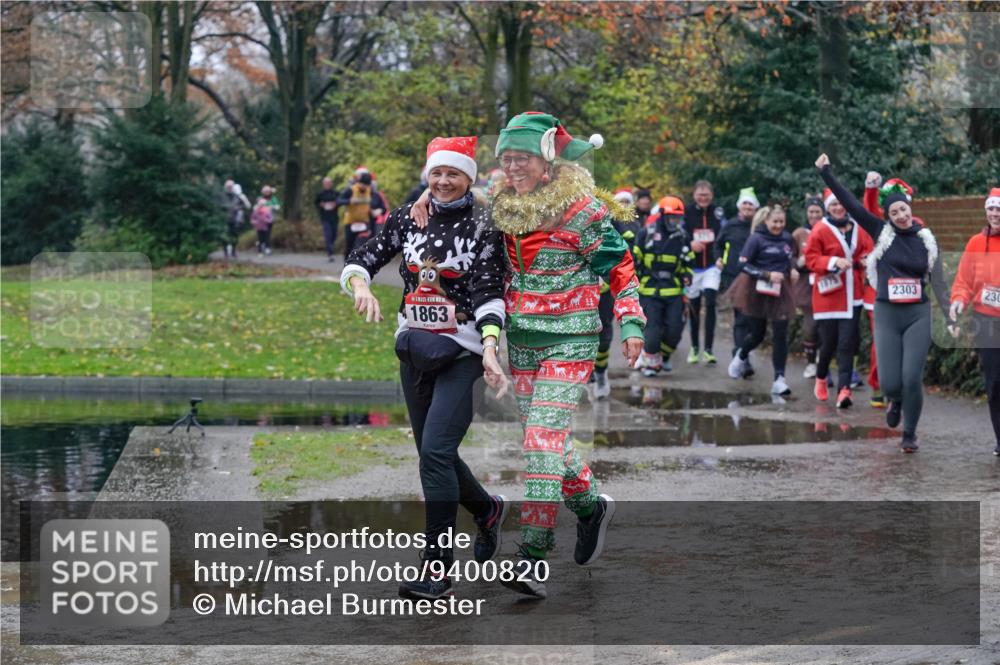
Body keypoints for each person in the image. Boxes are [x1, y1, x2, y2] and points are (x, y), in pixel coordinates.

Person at [413, 113, 645, 598]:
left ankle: (533, 556)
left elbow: (620, 266)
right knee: (548, 442)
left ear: (547, 161)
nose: (514, 167)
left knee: (541, 442)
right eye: (507, 159)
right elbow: (456, 202)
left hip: (571, 336)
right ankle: (590, 508)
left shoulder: (581, 210)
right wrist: (426, 201)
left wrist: (630, 322)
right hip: (522, 339)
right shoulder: (501, 205)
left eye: (523, 158)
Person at [340, 136, 509, 600]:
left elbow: (489, 289)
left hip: (464, 352)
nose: (443, 181)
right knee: (436, 455)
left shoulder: (485, 224)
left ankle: (437, 569)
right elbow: (366, 255)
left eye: (453, 173)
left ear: (469, 178)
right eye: (436, 173)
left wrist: (490, 347)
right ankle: (488, 510)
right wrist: (360, 285)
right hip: (414, 350)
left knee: (435, 453)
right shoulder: (407, 216)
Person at [817, 154, 950, 452]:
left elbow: (938, 280)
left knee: (911, 377)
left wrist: (950, 314)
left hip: (917, 313)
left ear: (910, 209)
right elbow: (851, 204)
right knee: (890, 382)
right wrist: (826, 172)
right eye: (894, 212)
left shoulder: (926, 239)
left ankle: (909, 433)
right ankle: (895, 400)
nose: (901, 215)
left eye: (904, 210)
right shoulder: (881, 232)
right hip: (888, 313)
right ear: (888, 215)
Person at [803, 184, 872, 408]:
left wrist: (865, 259)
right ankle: (821, 376)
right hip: (828, 296)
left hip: (853, 295)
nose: (838, 207)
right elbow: (811, 258)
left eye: (841, 203)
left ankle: (844, 390)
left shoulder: (858, 227)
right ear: (827, 207)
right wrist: (833, 262)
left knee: (847, 344)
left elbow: (866, 249)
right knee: (829, 344)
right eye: (833, 204)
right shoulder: (820, 230)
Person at [949, 187, 1000, 455]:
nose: (995, 213)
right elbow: (964, 281)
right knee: (995, 382)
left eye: (999, 209)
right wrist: (959, 300)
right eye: (991, 208)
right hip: (987, 321)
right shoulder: (976, 243)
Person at [727, 205, 797, 395]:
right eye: (775, 222)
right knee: (757, 334)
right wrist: (766, 275)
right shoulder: (756, 239)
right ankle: (741, 355)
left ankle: (779, 379)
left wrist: (792, 269)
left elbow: (790, 258)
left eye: (782, 222)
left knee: (781, 333)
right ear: (766, 221)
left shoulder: (787, 238)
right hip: (756, 290)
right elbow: (742, 264)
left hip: (780, 291)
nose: (778, 225)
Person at [634, 195, 694, 376]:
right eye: (672, 217)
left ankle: (664, 357)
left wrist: (687, 276)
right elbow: (634, 260)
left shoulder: (683, 236)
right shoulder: (646, 233)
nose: (675, 221)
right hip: (649, 290)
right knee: (652, 332)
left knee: (675, 330)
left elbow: (689, 262)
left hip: (674, 291)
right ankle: (651, 363)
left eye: (678, 218)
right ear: (662, 215)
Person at [592, 188, 641, 398]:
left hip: (602, 289)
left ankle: (600, 372)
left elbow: (623, 255)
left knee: (603, 337)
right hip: (572, 292)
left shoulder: (611, 222)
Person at [715, 187, 758, 371]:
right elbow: (718, 245)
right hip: (734, 276)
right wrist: (718, 259)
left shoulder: (759, 226)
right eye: (745, 204)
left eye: (751, 204)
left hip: (755, 276)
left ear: (755, 208)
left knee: (752, 319)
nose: (747, 207)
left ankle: (742, 353)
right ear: (740, 206)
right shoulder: (730, 225)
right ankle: (740, 357)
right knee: (741, 317)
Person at [683, 180, 725, 364]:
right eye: (700, 195)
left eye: (706, 195)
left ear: (712, 195)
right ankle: (694, 347)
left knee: (710, 301)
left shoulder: (718, 212)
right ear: (694, 195)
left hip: (712, 267)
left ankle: (708, 349)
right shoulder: (686, 212)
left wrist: (721, 257)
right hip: (693, 267)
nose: (703, 198)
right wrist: (690, 243)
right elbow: (679, 233)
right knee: (694, 307)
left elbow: (724, 237)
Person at [792, 196, 823, 378]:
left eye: (817, 212)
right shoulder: (799, 234)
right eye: (811, 211)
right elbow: (789, 257)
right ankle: (811, 362)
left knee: (825, 325)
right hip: (805, 285)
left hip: (826, 283)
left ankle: (822, 358)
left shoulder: (829, 230)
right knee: (811, 325)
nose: (814, 215)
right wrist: (798, 262)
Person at [338, 171, 382, 262]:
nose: (364, 187)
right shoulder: (351, 190)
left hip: (364, 222)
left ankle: (360, 262)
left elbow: (381, 205)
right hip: (351, 222)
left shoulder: (371, 192)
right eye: (363, 184)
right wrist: (349, 201)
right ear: (359, 183)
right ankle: (347, 262)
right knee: (349, 244)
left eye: (366, 185)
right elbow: (338, 201)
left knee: (363, 244)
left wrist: (378, 210)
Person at [314, 176, 340, 262]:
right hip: (325, 217)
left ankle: (331, 247)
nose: (327, 184)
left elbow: (340, 201)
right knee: (328, 234)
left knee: (334, 235)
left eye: (329, 183)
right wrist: (321, 205)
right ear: (323, 184)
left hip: (334, 217)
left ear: (331, 184)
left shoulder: (336, 193)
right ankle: (330, 253)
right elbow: (316, 203)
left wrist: (335, 204)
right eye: (326, 183)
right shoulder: (320, 194)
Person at [222, 179, 249, 259]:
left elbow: (245, 206)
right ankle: (226, 253)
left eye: (231, 186)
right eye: (228, 186)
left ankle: (233, 252)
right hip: (225, 219)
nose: (230, 188)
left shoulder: (237, 196)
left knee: (235, 236)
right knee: (225, 236)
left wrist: (238, 208)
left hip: (235, 220)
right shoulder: (222, 196)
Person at [251, 185, 278, 255]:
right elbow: (255, 208)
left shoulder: (273, 198)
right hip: (260, 222)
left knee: (268, 234)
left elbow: (277, 207)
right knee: (260, 235)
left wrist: (272, 207)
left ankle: (267, 247)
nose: (267, 193)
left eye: (268, 191)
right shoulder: (260, 198)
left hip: (269, 219)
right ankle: (262, 245)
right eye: (265, 192)